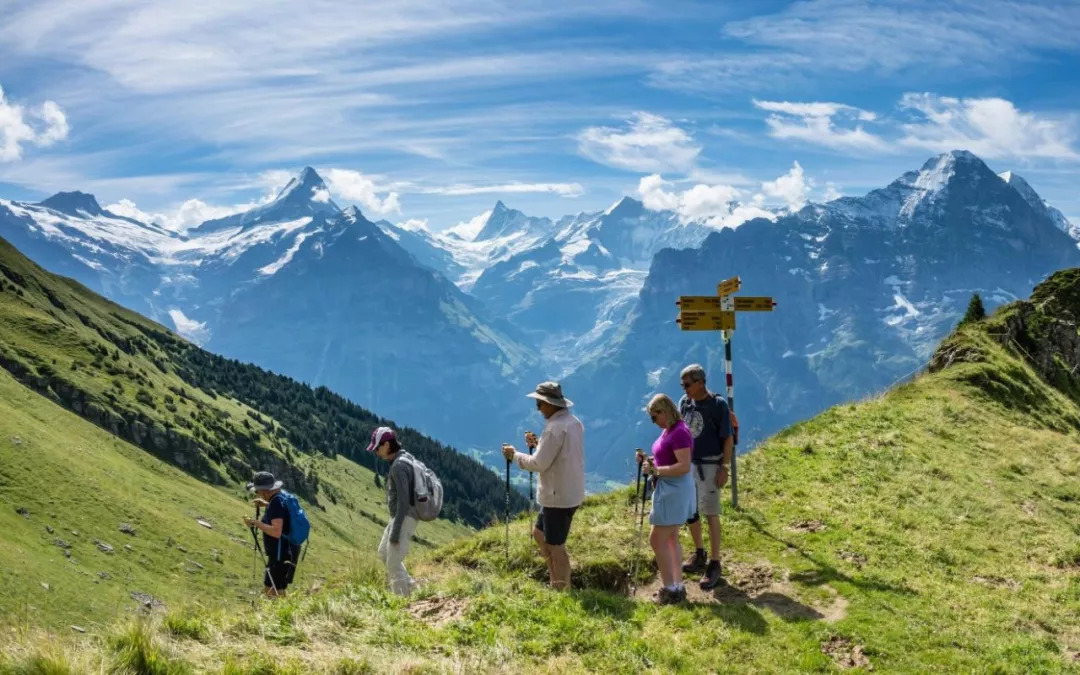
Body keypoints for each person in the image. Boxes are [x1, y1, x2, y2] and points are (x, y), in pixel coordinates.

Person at [501, 381, 585, 591]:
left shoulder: (555, 428)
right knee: (539, 535)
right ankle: (555, 579)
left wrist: (515, 455)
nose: (538, 408)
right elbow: (557, 454)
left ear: (551, 404)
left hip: (557, 495)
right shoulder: (572, 422)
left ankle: (562, 589)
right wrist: (538, 445)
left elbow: (539, 464)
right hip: (568, 490)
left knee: (556, 546)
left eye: (540, 403)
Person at [678, 364, 733, 590]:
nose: (684, 389)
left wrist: (724, 467)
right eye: (682, 385)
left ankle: (715, 562)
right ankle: (700, 552)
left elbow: (727, 437)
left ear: (701, 382)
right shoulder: (684, 403)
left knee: (711, 512)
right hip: (689, 465)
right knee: (691, 512)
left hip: (710, 465)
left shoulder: (717, 405)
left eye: (688, 384)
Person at [638, 394, 696, 604]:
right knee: (671, 538)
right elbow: (670, 457)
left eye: (654, 418)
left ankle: (669, 589)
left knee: (657, 539)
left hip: (673, 491)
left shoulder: (679, 432)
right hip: (672, 489)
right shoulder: (672, 430)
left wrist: (656, 470)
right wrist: (650, 461)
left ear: (664, 412)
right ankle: (677, 585)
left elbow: (684, 465)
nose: (654, 422)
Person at [368, 426, 421, 596]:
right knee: (383, 552)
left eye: (377, 447)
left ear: (387, 445)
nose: (376, 451)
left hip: (404, 517)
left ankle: (402, 603)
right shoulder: (403, 457)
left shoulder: (398, 466)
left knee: (392, 562)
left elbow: (404, 502)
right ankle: (412, 586)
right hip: (399, 517)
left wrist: (395, 532)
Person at [243, 471, 300, 598]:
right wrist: (266, 504)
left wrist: (255, 523)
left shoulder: (275, 504)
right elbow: (281, 512)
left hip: (279, 555)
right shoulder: (280, 497)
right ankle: (286, 612)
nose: (257, 494)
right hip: (286, 551)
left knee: (271, 590)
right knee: (278, 588)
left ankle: (281, 615)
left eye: (257, 491)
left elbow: (276, 531)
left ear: (264, 490)